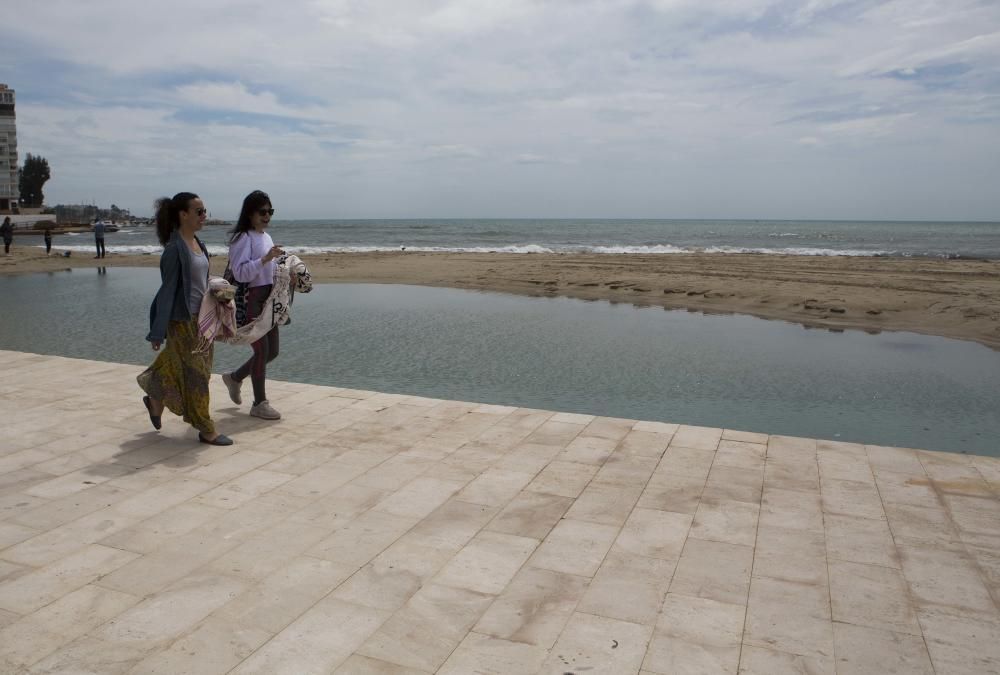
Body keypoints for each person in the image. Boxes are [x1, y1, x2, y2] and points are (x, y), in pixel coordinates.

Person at [136, 192, 233, 445]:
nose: (204, 216)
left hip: (203, 319)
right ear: (183, 214)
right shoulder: (174, 250)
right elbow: (166, 292)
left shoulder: (198, 244)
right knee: (198, 376)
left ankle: (155, 398)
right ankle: (206, 428)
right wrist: (157, 331)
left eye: (204, 211)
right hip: (183, 321)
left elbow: (200, 282)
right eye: (199, 211)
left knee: (183, 365)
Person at [221, 190, 285, 420]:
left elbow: (266, 270)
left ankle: (235, 377)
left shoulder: (265, 236)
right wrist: (266, 258)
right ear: (250, 213)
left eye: (270, 211)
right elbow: (240, 273)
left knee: (272, 351)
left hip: (268, 300)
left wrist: (282, 270)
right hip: (250, 300)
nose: (267, 215)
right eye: (262, 211)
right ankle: (259, 403)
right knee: (261, 351)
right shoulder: (242, 238)